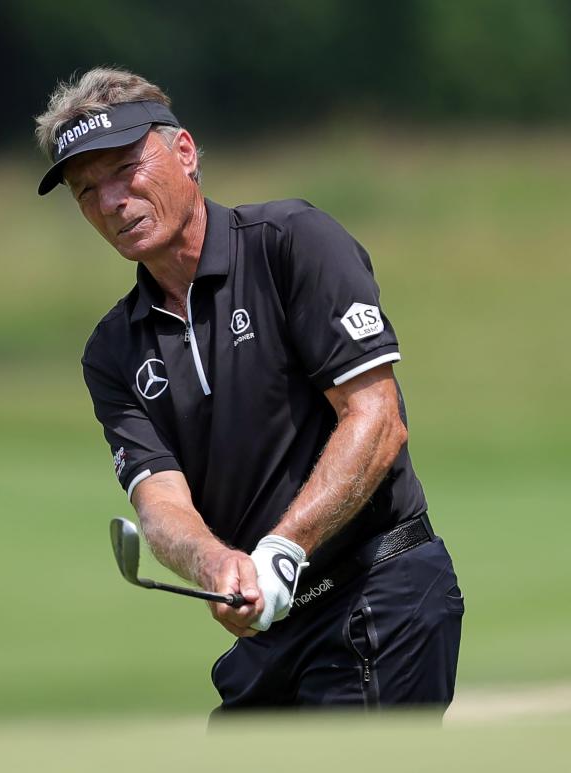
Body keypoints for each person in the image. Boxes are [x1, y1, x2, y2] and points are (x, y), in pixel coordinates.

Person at [34, 67, 464, 713]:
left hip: (378, 595)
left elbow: (375, 419)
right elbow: (159, 499)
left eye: (125, 168)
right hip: (272, 631)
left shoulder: (289, 244)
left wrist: (283, 550)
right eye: (86, 189)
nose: (111, 201)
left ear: (182, 152)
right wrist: (213, 564)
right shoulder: (113, 348)